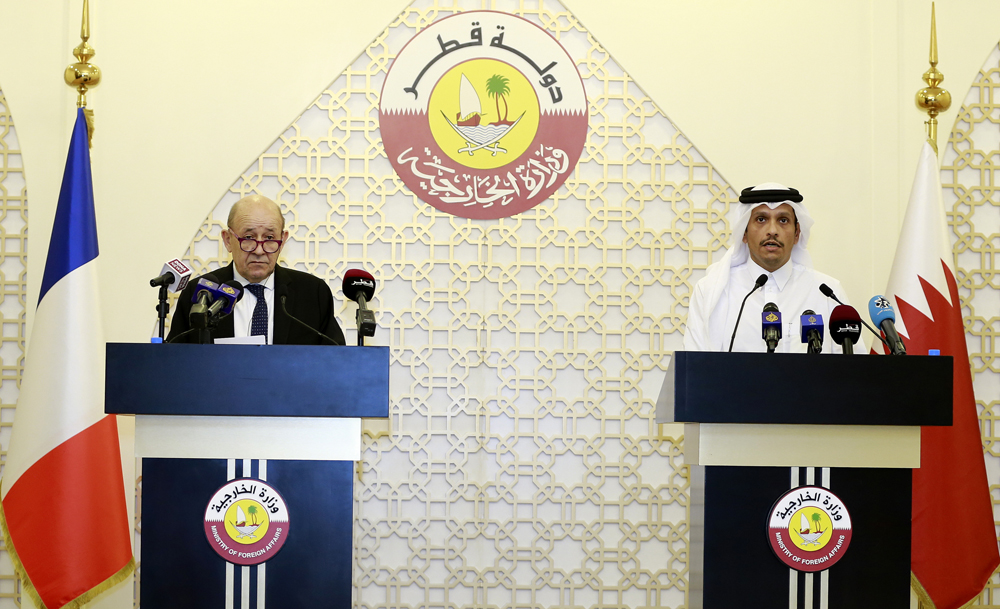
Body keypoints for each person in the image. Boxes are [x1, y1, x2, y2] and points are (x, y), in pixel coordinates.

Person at [683, 183, 852, 353]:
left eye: (783, 220)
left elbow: (854, 369)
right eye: (761, 219)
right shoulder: (711, 292)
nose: (772, 230)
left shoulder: (828, 293)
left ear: (796, 233)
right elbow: (693, 369)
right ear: (744, 232)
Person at [167, 194, 346, 345]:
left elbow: (334, 362)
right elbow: (175, 364)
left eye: (269, 237)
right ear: (228, 240)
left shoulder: (312, 293)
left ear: (282, 241)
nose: (259, 250)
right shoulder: (201, 294)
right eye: (248, 237)